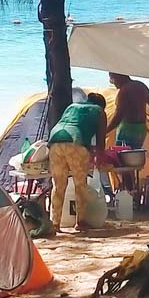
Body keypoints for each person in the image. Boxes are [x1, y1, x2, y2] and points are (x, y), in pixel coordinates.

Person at [47, 92, 108, 230]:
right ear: (102, 106)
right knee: (80, 185)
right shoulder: (99, 111)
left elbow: (70, 124)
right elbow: (100, 142)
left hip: (55, 140)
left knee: (58, 186)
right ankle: (80, 222)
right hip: (75, 141)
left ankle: (55, 224)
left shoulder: (72, 106)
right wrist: (100, 160)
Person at [107, 72, 149, 148]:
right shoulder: (141, 86)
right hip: (141, 129)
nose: (111, 82)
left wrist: (104, 132)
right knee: (135, 154)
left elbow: (118, 117)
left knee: (122, 156)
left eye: (112, 78)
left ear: (119, 77)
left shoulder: (124, 91)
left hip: (127, 129)